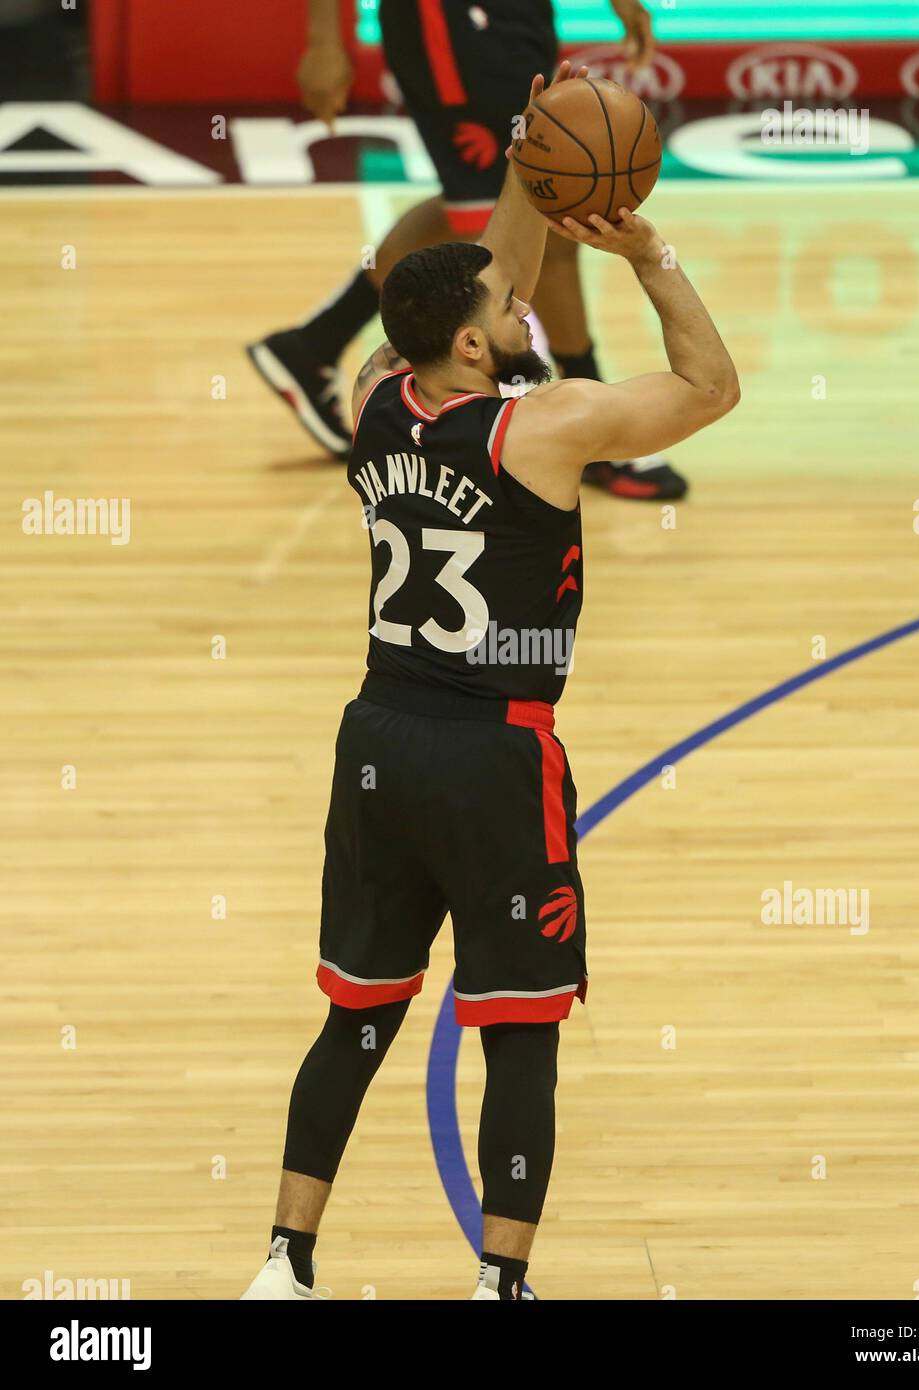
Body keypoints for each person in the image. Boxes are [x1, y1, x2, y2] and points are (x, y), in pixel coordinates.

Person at [240, 59, 738, 1302]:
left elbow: (488, 280)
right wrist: (645, 251)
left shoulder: (368, 400)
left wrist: (527, 152)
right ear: (473, 342)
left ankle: (285, 1262)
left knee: (358, 1015)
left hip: (375, 738)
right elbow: (709, 388)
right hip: (493, 755)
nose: (525, 310)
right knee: (517, 1028)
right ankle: (498, 1282)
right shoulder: (546, 426)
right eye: (503, 312)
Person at [247, 0, 690, 500]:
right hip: (451, 21)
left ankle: (312, 346)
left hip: (515, 17)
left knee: (498, 192)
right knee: (542, 193)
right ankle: (597, 429)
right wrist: (326, 40)